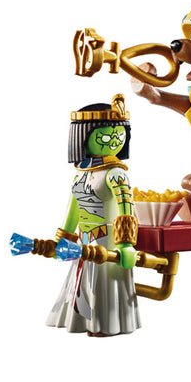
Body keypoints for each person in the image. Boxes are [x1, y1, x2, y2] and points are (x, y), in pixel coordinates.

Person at [46, 95, 141, 336]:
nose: (114, 140)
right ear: (82, 137)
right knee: (81, 282)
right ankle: (81, 321)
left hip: (108, 240)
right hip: (85, 239)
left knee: (104, 283)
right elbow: (73, 210)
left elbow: (126, 207)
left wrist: (126, 244)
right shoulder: (80, 174)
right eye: (106, 136)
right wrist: (62, 239)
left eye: (119, 135)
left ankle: (106, 324)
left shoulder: (116, 174)